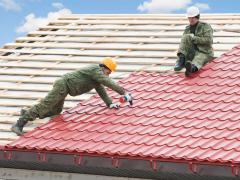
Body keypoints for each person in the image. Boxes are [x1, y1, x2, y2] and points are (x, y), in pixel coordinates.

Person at [11, 57, 132, 136]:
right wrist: (123, 93)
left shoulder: (97, 76)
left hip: (66, 88)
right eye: (109, 71)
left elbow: (101, 89)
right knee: (46, 105)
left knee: (56, 111)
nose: (109, 74)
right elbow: (108, 83)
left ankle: (28, 112)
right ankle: (19, 124)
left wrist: (109, 103)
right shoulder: (96, 70)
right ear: (104, 68)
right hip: (63, 85)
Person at [174, 6, 214, 77]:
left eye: (193, 17)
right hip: (192, 52)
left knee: (199, 58)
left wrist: (194, 38)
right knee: (186, 37)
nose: (191, 19)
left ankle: (192, 68)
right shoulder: (187, 29)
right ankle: (181, 60)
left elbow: (209, 41)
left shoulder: (205, 27)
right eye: (189, 17)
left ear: (197, 17)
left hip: (204, 52)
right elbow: (184, 44)